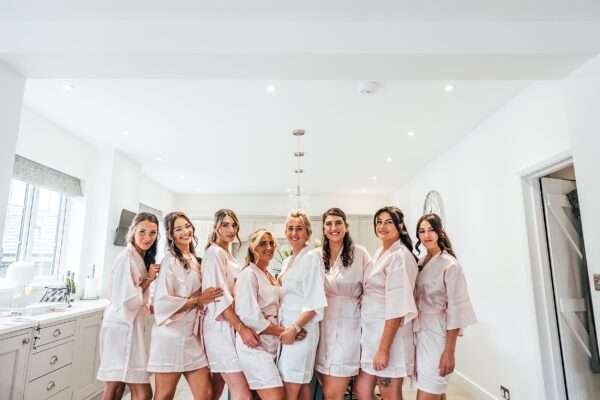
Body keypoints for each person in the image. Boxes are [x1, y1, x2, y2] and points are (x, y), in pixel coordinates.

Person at [147, 211, 223, 400]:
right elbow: (162, 303)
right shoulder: (169, 262)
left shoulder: (196, 261)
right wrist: (197, 300)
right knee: (164, 395)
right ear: (171, 235)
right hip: (170, 337)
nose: (185, 232)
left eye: (187, 226)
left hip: (192, 337)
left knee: (205, 394)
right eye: (178, 229)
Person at [355, 206, 418, 400]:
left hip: (390, 338)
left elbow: (397, 307)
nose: (382, 226)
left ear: (400, 226)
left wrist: (383, 349)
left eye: (389, 222)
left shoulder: (399, 255)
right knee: (362, 392)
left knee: (389, 393)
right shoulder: (381, 252)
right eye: (379, 222)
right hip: (372, 334)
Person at [97, 212, 160, 400]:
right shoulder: (126, 258)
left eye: (153, 233)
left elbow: (137, 299)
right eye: (142, 232)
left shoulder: (140, 257)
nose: (147, 238)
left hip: (128, 327)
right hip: (121, 328)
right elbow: (127, 299)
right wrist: (148, 279)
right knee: (134, 390)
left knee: (115, 387)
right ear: (132, 231)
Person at [414, 214, 476, 400]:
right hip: (420, 334)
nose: (427, 235)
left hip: (437, 337)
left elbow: (456, 311)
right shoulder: (420, 262)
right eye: (422, 231)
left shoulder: (450, 265)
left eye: (431, 229)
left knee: (429, 390)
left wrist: (449, 352)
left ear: (440, 231)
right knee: (436, 392)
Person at [203, 209, 259, 400]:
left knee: (217, 388)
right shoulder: (214, 253)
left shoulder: (229, 254)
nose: (231, 229)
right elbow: (219, 296)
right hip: (220, 328)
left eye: (234, 225)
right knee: (242, 392)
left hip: (229, 325)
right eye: (225, 224)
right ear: (216, 227)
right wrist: (240, 327)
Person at [315, 208, 370, 400]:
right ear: (323, 229)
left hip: (349, 327)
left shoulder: (360, 254)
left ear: (346, 226)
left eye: (338, 223)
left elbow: (371, 290)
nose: (333, 227)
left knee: (333, 393)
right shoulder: (317, 256)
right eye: (328, 224)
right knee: (327, 389)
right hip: (321, 328)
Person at [278, 209, 328, 400]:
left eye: (299, 228)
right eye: (290, 228)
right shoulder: (288, 261)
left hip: (302, 328)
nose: (294, 233)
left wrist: (295, 327)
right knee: (301, 384)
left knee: (291, 386)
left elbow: (315, 301)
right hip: (288, 328)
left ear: (308, 232)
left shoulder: (312, 257)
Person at [235, 229, 287, 400]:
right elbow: (250, 316)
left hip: (272, 343)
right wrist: (284, 331)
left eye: (271, 243)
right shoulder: (248, 275)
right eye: (263, 243)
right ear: (252, 247)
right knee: (276, 397)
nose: (269, 247)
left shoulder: (270, 275)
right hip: (254, 345)